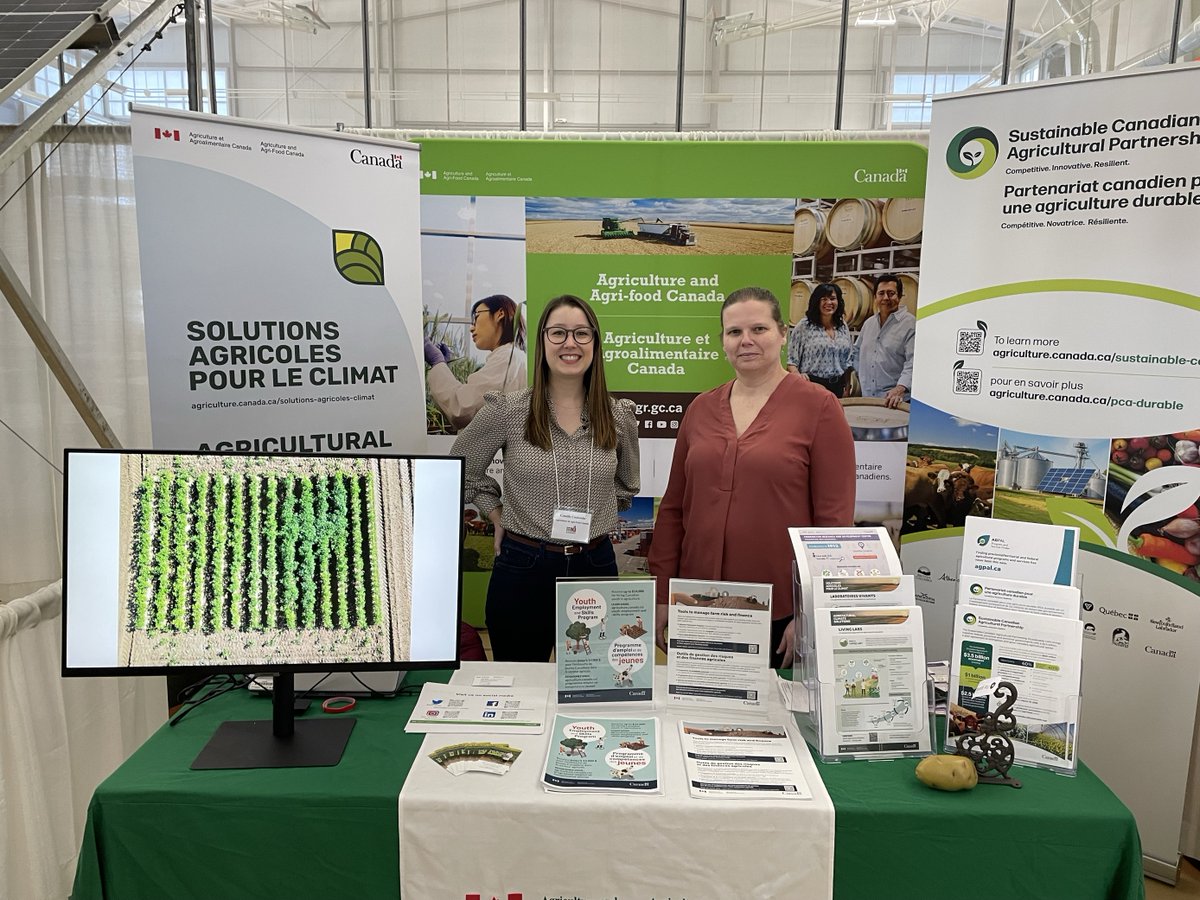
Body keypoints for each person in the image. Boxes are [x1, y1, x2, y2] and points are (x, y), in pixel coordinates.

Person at [648, 286, 855, 668]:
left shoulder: (819, 408)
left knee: (769, 725)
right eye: (734, 332)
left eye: (758, 329)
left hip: (779, 614)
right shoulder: (701, 409)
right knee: (699, 720)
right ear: (723, 342)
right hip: (699, 606)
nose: (746, 341)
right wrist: (662, 594)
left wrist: (809, 612)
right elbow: (675, 508)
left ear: (782, 334)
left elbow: (833, 527)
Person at [451, 295, 640, 662]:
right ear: (542, 343)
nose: (570, 343)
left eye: (581, 334)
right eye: (558, 333)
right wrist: (495, 511)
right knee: (521, 687)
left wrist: (597, 513)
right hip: (524, 566)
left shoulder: (618, 416)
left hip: (594, 566)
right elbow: (463, 466)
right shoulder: (509, 410)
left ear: (595, 344)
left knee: (592, 684)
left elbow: (626, 484)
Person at [424, 294, 527, 430]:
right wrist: (444, 368)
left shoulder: (506, 359)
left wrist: (437, 363)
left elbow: (461, 408)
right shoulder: (513, 357)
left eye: (477, 317)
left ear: (500, 314)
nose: (471, 328)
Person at [852, 273, 915, 409]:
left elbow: (913, 362)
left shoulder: (910, 324)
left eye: (891, 293)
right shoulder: (869, 323)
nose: (886, 298)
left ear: (899, 296)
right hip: (868, 398)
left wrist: (900, 388)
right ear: (875, 297)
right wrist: (861, 376)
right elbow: (857, 352)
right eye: (881, 293)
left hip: (895, 402)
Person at [786, 282, 855, 396]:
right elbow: (791, 360)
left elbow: (847, 361)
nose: (829, 302)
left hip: (838, 386)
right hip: (811, 385)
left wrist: (847, 386)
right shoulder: (804, 326)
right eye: (824, 299)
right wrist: (798, 377)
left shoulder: (842, 326)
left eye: (833, 298)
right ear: (816, 302)